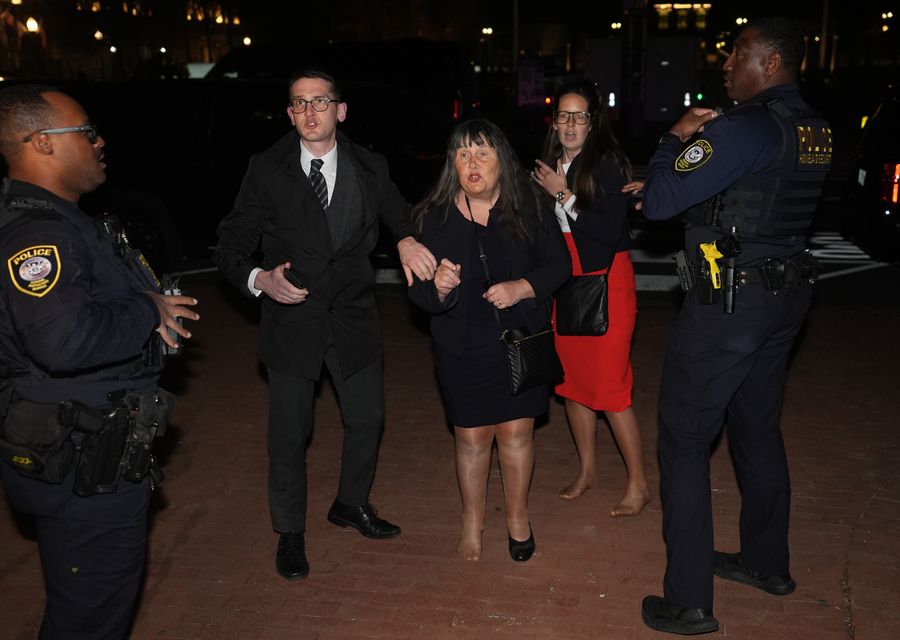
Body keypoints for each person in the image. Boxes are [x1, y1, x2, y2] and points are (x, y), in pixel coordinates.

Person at [636, 18, 833, 634]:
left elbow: (662, 201)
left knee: (685, 438)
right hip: (784, 297)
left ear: (771, 63)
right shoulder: (813, 129)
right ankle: (765, 561)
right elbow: (757, 200)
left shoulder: (743, 127)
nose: (726, 64)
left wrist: (674, 139)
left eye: (739, 53)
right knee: (755, 426)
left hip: (731, 304)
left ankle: (688, 601)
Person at [213, 68, 437, 581]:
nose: (309, 112)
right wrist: (258, 279)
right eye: (298, 104)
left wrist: (404, 238)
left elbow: (400, 215)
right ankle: (290, 532)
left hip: (354, 316)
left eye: (320, 102)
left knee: (368, 419)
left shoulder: (368, 164)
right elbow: (229, 246)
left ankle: (350, 504)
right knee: (291, 434)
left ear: (340, 110)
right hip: (293, 318)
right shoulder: (267, 169)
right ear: (290, 114)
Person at [0, 84, 199, 638]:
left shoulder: (62, 221)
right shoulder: (39, 235)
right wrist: (142, 308)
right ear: (40, 143)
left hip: (88, 450)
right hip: (82, 461)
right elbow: (62, 341)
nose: (99, 140)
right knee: (88, 618)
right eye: (85, 132)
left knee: (89, 607)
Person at [408, 119, 570, 562]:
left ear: (501, 161)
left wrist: (522, 287)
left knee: (517, 433)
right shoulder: (433, 218)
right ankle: (472, 523)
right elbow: (418, 294)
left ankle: (518, 518)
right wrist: (438, 287)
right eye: (462, 154)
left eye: (482, 153)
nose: (472, 163)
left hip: (519, 338)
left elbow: (559, 266)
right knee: (472, 439)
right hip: (462, 347)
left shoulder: (531, 208)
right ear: (452, 165)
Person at [532, 81, 651, 517]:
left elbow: (605, 232)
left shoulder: (607, 164)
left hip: (607, 281)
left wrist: (563, 194)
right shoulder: (548, 165)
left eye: (578, 115)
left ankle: (638, 484)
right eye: (562, 115)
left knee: (611, 389)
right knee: (573, 387)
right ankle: (587, 472)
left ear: (593, 121)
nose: (569, 123)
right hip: (567, 283)